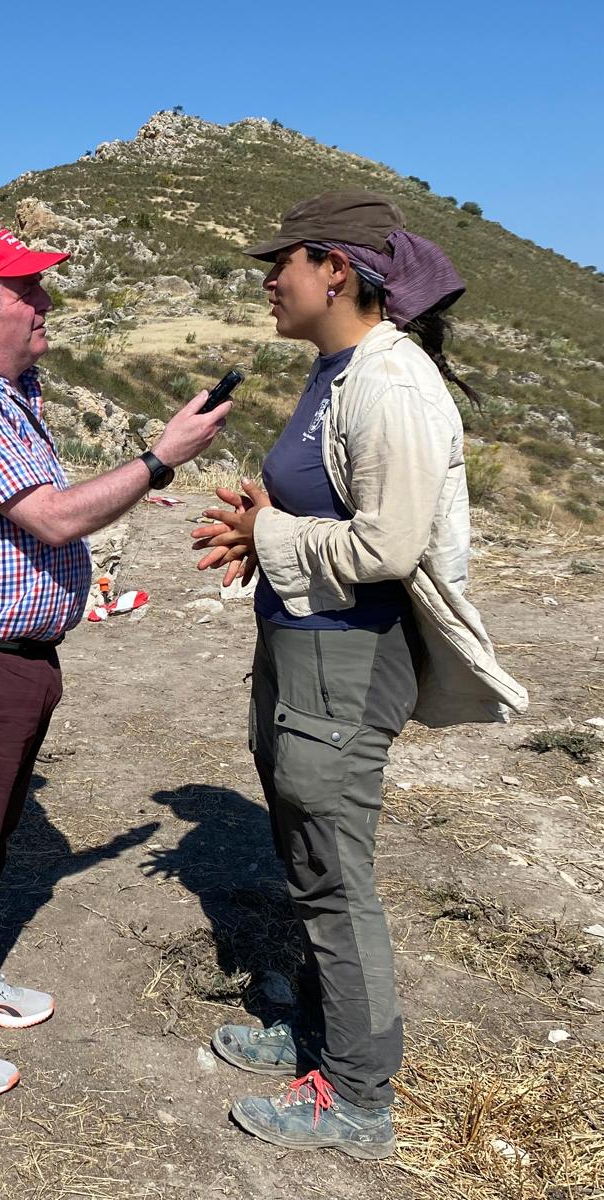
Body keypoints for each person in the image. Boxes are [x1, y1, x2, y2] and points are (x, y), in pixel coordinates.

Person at [191, 191, 527, 1157]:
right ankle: (317, 1035)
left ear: (334, 267)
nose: (267, 280)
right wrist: (266, 521)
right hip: (304, 643)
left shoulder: (392, 384)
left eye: (281, 262)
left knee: (337, 874)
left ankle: (358, 1097)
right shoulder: (335, 374)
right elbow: (335, 507)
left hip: (349, 651)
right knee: (306, 852)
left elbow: (388, 545)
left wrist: (272, 533)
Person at [0, 220, 229, 1098]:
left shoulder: (8, 389)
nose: (46, 306)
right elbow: (54, 517)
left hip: (9, 655)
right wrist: (159, 460)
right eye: (27, 294)